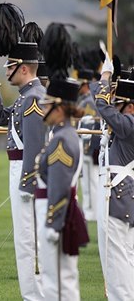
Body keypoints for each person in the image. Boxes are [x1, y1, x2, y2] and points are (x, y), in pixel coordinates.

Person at [0, 3, 46, 301]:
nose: (6, 71)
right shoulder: (25, 98)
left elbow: (34, 146)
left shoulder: (33, 99)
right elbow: (0, 120)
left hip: (26, 175)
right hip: (19, 172)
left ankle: (36, 296)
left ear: (23, 68)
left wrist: (27, 185)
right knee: (26, 241)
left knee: (29, 242)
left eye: (9, 67)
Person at [35, 77, 89, 301]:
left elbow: (58, 185)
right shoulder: (64, 135)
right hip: (59, 212)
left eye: (48, 105)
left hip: (57, 215)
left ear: (59, 108)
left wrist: (53, 223)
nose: (44, 109)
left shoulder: (61, 140)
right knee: (60, 279)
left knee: (56, 283)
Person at [90, 54, 134, 301]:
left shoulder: (129, 123)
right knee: (125, 257)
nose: (116, 108)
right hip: (124, 195)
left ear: (130, 106)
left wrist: (105, 78)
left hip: (116, 196)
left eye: (121, 104)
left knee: (117, 263)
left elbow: (102, 106)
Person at [76, 68, 99, 221]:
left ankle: (92, 212)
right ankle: (89, 209)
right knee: (87, 182)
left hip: (89, 146)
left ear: (85, 84)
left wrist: (89, 148)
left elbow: (91, 125)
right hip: (85, 146)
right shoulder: (85, 100)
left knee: (91, 183)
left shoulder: (89, 101)